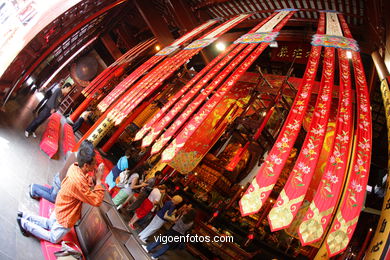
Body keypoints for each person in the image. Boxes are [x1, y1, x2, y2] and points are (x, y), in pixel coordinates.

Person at [16, 140, 106, 243]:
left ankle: (23, 215)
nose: (95, 166)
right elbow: (97, 201)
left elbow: (85, 182)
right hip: (66, 212)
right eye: (94, 164)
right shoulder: (78, 181)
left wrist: (94, 178)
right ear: (86, 165)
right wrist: (99, 181)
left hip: (61, 204)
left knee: (49, 223)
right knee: (53, 238)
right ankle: (24, 224)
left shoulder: (76, 166)